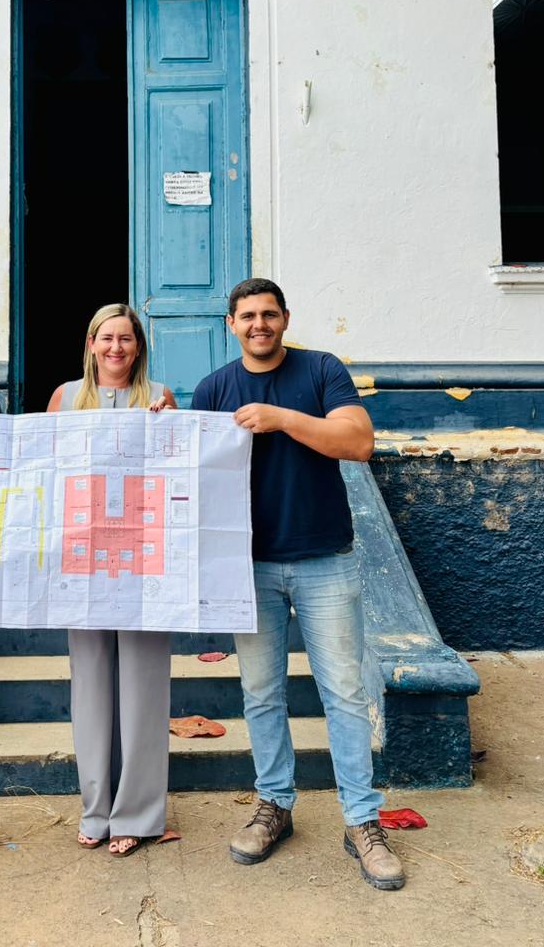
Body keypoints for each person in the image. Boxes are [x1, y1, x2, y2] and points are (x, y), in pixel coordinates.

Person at [191, 278, 405, 891]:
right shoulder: (214, 387)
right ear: (230, 324)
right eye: (247, 316)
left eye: (268, 314)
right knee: (261, 693)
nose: (259, 324)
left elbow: (358, 442)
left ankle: (363, 822)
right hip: (247, 565)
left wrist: (283, 418)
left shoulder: (320, 369)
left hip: (324, 559)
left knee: (341, 692)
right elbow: (192, 464)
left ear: (284, 319)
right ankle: (274, 806)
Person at [46, 303, 178, 856]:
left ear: (139, 346)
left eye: (126, 339)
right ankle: (96, 809)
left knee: (145, 684)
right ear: (91, 343)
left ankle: (140, 814)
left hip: (143, 556)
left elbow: (179, 468)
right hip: (84, 558)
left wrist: (171, 421)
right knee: (91, 683)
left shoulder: (160, 396)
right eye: (107, 338)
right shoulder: (64, 397)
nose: (116, 348)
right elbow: (42, 470)